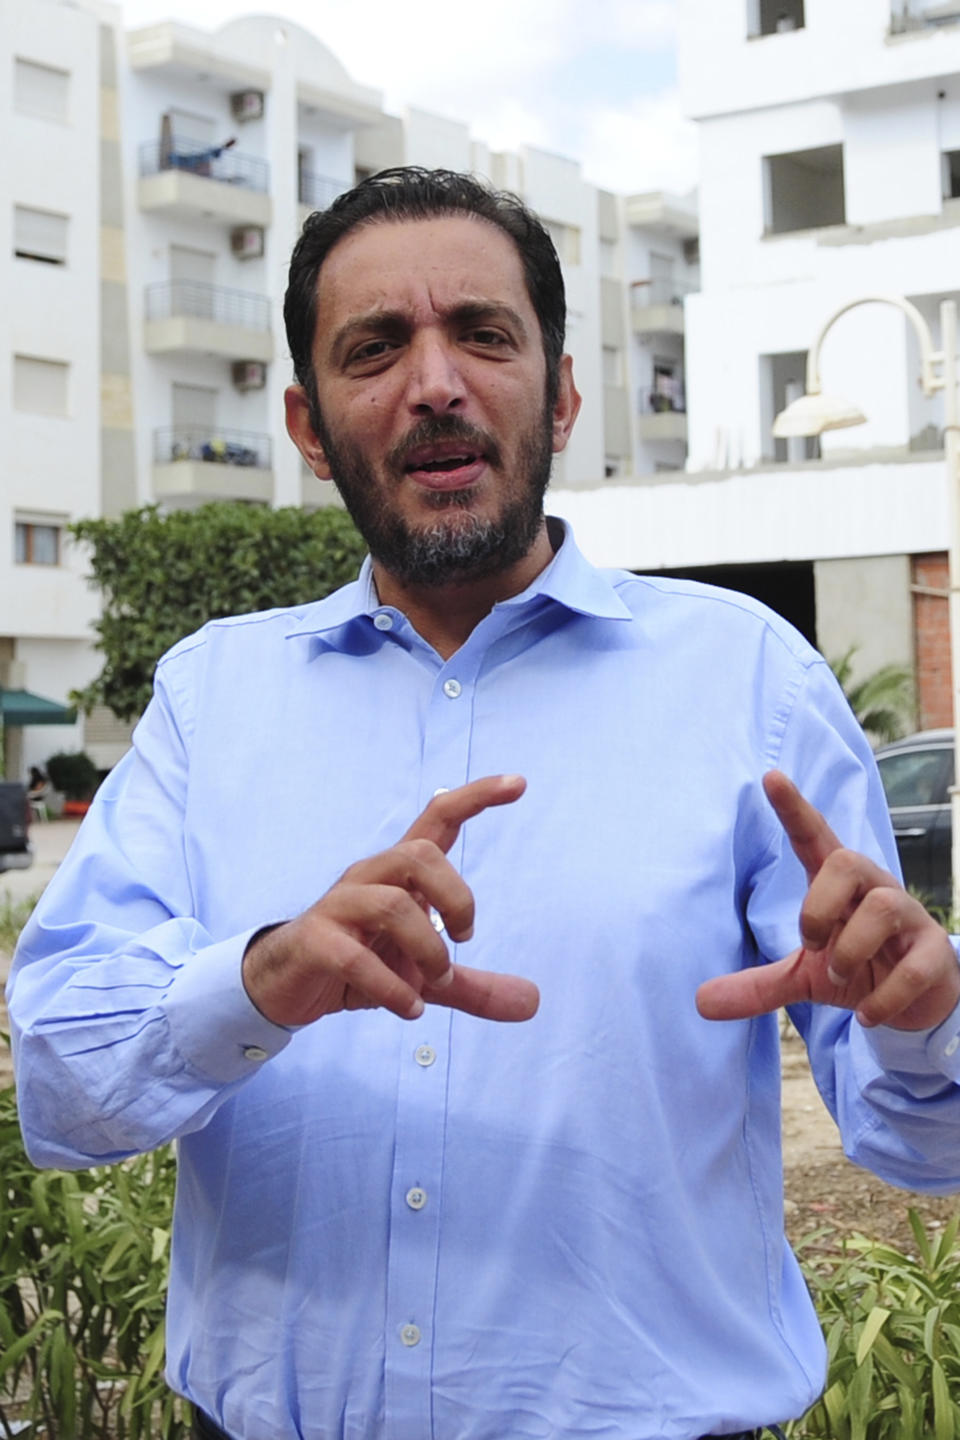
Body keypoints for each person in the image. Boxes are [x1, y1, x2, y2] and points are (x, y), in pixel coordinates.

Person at [8, 168, 960, 1440]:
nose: (436, 381)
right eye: (377, 346)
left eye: (485, 334)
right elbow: (61, 1088)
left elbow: (927, 1147)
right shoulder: (211, 696)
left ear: (560, 395)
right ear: (306, 422)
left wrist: (921, 1016)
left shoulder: (751, 681)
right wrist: (261, 981)